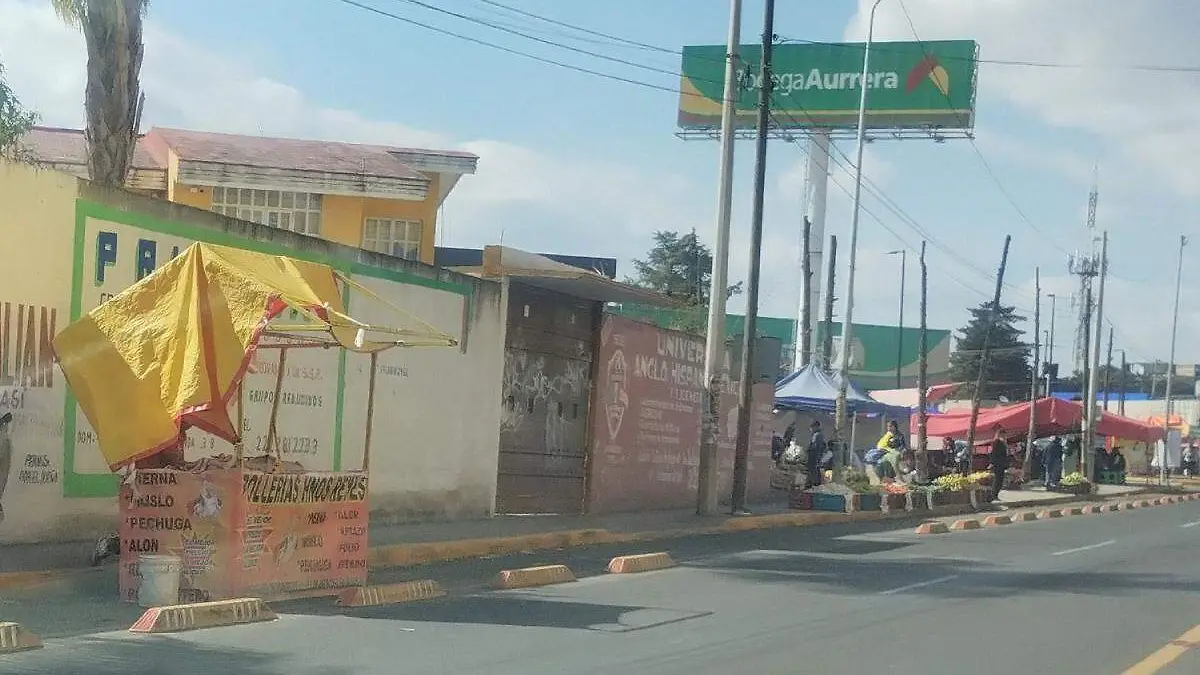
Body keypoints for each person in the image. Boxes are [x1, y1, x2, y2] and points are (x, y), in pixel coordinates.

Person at [988, 426, 1009, 500]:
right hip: (998, 463)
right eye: (1003, 434)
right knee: (997, 480)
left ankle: (996, 494)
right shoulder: (996, 442)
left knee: (1000, 480)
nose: (1004, 436)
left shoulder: (1003, 442)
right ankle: (994, 495)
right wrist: (992, 463)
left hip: (1002, 463)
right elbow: (993, 453)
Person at [806, 419, 827, 489]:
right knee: (815, 471)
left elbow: (815, 447)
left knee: (813, 471)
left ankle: (814, 485)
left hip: (814, 457)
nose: (811, 429)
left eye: (812, 427)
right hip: (816, 456)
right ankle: (815, 484)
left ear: (816, 427)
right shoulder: (819, 435)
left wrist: (809, 450)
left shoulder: (817, 435)